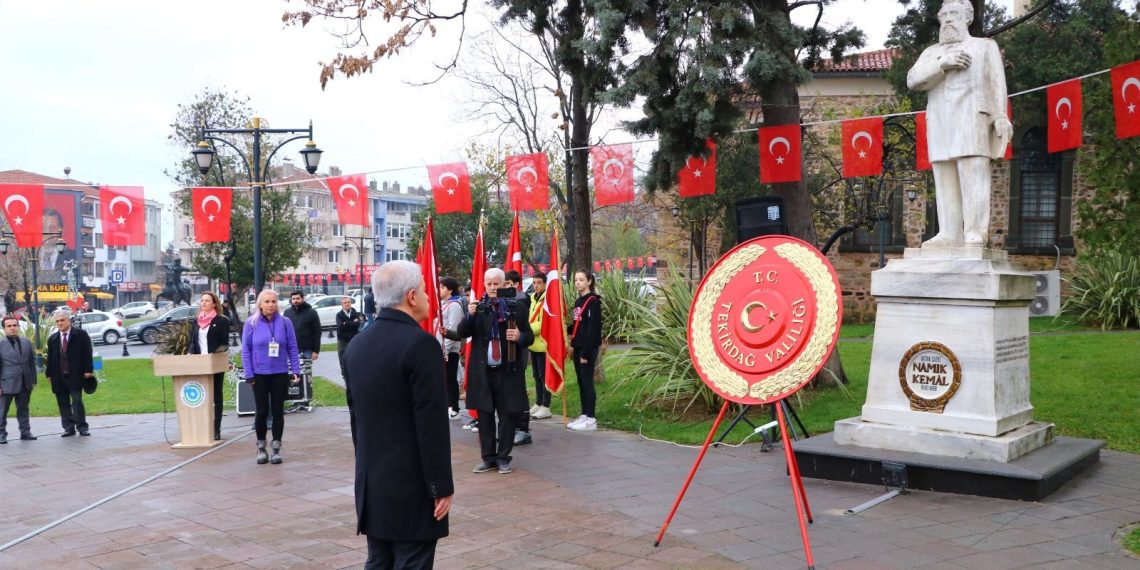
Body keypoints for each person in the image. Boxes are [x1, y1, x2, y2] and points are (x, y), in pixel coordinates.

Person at [344, 260, 453, 569]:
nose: (429, 296)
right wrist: (440, 486)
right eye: (423, 289)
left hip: (372, 481)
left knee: (379, 560)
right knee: (412, 561)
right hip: (412, 484)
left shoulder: (357, 346)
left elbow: (357, 422)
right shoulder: (421, 345)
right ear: (411, 296)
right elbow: (430, 423)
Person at [906, 0, 1012, 248]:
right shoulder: (932, 52)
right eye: (943, 16)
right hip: (941, 120)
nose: (948, 20)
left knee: (973, 171)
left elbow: (997, 83)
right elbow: (913, 80)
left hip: (973, 117)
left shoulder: (984, 46)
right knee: (944, 175)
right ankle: (949, 232)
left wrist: (1000, 116)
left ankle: (975, 231)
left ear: (968, 18)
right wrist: (943, 64)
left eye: (954, 14)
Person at [454, 268, 533, 474]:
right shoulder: (478, 308)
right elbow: (462, 332)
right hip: (483, 373)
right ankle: (488, 458)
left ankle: (503, 457)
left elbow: (529, 337)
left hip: (508, 372)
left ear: (504, 284)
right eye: (488, 284)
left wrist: (519, 337)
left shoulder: (517, 308)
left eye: (496, 284)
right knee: (485, 416)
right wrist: (470, 316)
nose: (491, 288)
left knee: (507, 416)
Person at [241, 290, 302, 465]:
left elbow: (292, 347)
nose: (270, 305)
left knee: (277, 411)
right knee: (261, 411)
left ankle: (276, 447)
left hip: (279, 373)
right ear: (260, 304)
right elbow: (246, 350)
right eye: (267, 301)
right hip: (259, 374)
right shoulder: (251, 323)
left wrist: (295, 370)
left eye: (273, 301)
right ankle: (261, 446)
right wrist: (249, 373)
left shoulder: (285, 323)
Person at [188, 291, 231, 441]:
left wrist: (214, 354)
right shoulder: (196, 321)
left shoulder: (222, 320)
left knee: (216, 396)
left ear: (214, 304)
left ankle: (216, 428)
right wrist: (190, 354)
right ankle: (202, 427)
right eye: (202, 301)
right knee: (202, 396)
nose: (204, 303)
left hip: (214, 363)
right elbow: (193, 342)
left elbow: (224, 343)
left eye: (207, 301)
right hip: (199, 364)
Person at [46, 309, 95, 437]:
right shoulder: (53, 339)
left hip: (76, 375)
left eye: (62, 320)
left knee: (77, 401)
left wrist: (88, 370)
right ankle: (68, 428)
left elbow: (87, 353)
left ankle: (82, 426)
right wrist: (49, 374)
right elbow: (50, 358)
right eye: (57, 321)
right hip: (58, 376)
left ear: (69, 320)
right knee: (63, 403)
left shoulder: (81, 335)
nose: (60, 323)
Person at [567, 270, 602, 432]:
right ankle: (584, 414)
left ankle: (591, 418)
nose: (577, 283)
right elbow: (577, 325)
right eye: (575, 280)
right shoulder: (578, 301)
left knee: (587, 382)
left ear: (589, 281)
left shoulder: (593, 301)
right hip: (578, 347)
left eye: (581, 280)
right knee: (581, 382)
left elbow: (593, 329)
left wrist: (586, 353)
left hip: (587, 348)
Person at [503, 270, 534, 446]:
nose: (505, 288)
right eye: (503, 285)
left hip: (519, 350)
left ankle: (523, 429)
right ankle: (512, 426)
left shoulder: (522, 301)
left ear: (515, 285)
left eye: (508, 284)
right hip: (506, 354)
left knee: (519, 389)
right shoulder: (502, 303)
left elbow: (527, 333)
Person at [0, 316, 38, 443]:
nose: (12, 328)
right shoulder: (0, 344)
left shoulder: (26, 342)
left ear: (18, 326)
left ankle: (25, 432)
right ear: (4, 328)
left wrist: (33, 380)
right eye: (9, 326)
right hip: (6, 383)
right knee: (2, 411)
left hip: (25, 382)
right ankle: (1, 434)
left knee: (23, 409)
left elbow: (31, 363)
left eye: (14, 325)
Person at [336, 296, 364, 445]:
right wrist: (350, 325)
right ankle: (347, 381)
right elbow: (340, 327)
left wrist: (351, 324)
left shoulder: (356, 314)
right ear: (342, 305)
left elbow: (358, 324)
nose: (347, 304)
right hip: (343, 343)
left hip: (354, 340)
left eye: (348, 302)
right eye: (344, 303)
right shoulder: (339, 315)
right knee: (343, 363)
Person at [527, 273, 552, 421]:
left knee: (544, 376)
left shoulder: (547, 300)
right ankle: (538, 401)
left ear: (545, 284)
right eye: (534, 282)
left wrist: (527, 329)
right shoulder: (533, 298)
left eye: (539, 283)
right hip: (533, 344)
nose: (536, 285)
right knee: (536, 375)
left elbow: (544, 323)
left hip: (542, 343)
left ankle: (546, 405)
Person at [439, 277, 465, 421]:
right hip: (442, 348)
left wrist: (445, 349)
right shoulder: (443, 304)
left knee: (450, 379)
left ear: (450, 289)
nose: (439, 290)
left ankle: (454, 408)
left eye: (442, 287)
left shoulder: (454, 305)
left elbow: (453, 329)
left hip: (450, 350)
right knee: (444, 379)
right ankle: (447, 405)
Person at [284, 290, 322, 361]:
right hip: (291, 349)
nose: (296, 301)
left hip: (307, 350)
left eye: (298, 298)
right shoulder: (287, 313)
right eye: (294, 299)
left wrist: (316, 351)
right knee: (291, 371)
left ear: (302, 299)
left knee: (306, 371)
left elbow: (317, 332)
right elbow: (284, 331)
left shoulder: (312, 312)